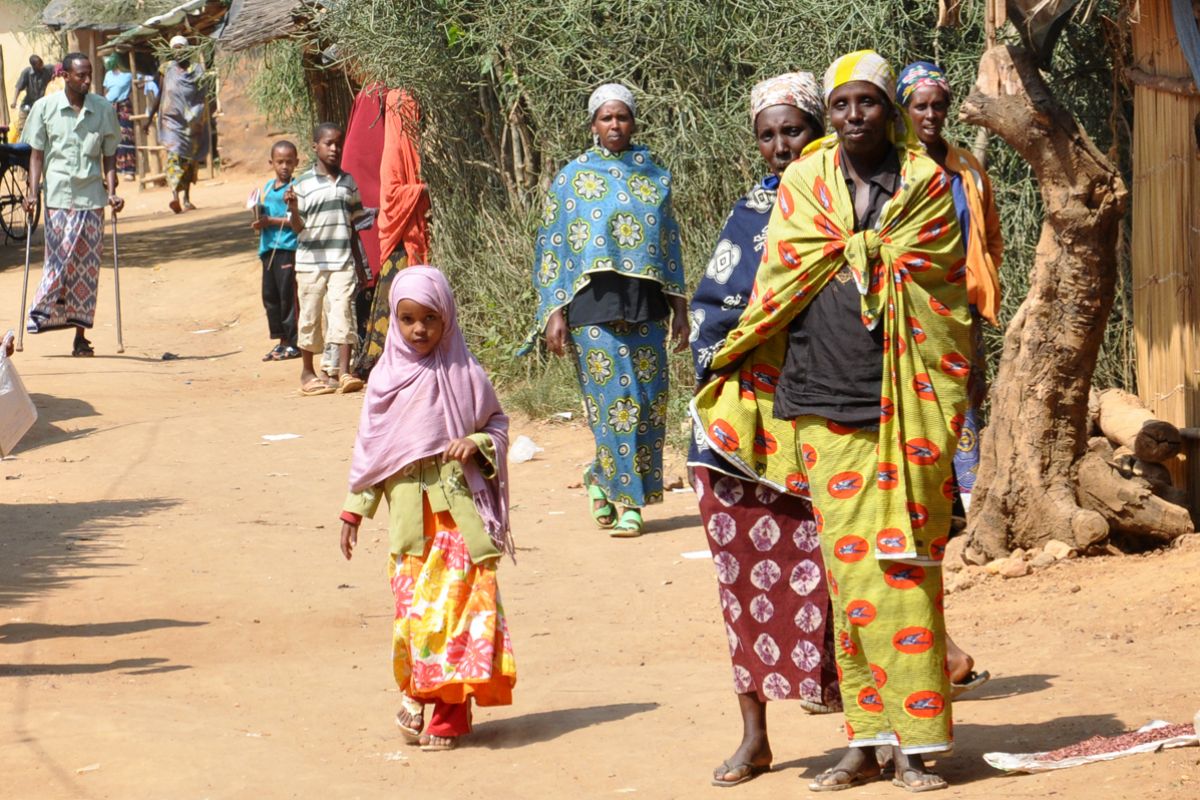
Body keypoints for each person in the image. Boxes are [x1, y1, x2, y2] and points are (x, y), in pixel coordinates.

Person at [694, 50, 972, 793]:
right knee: (846, 584)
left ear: (889, 109)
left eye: (868, 103)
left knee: (905, 573)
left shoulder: (926, 187)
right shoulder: (804, 186)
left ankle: (914, 745)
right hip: (818, 401)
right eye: (843, 103)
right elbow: (774, 290)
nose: (854, 116)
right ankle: (864, 740)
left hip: (900, 407)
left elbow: (949, 299)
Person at [688, 72, 840, 788]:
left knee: (841, 578)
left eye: (794, 131)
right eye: (768, 135)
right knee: (739, 584)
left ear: (821, 130)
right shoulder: (748, 214)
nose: (781, 147)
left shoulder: (848, 207)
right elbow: (712, 313)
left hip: (829, 420)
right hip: (740, 433)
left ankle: (859, 729)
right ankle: (755, 736)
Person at [339, 266, 516, 752]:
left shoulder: (465, 373)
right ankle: (417, 692)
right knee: (415, 617)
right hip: (408, 528)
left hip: (458, 523)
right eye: (408, 319)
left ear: (448, 320)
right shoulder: (383, 382)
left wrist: (476, 443)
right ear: (394, 321)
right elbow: (372, 452)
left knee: (457, 615)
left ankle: (452, 713)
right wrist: (354, 511)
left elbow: (497, 425)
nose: (420, 330)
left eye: (430, 319)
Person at [522, 82, 689, 537]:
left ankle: (600, 478)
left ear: (633, 122)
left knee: (649, 403)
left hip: (647, 304)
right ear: (593, 124)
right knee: (616, 404)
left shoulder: (655, 176)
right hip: (592, 308)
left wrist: (681, 308)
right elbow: (553, 247)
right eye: (606, 118)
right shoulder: (573, 178)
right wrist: (554, 311)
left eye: (622, 117)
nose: (615, 125)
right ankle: (628, 503)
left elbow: (669, 244)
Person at [898, 61, 1001, 700]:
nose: (932, 115)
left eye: (939, 105)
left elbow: (986, 237)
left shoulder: (964, 166)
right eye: (921, 105)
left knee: (964, 412)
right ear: (904, 110)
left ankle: (966, 514)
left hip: (960, 309)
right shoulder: (897, 168)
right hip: (908, 316)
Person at [21, 52, 123, 356]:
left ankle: (80, 336)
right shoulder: (45, 108)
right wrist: (32, 191)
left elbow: (109, 156)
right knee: (59, 262)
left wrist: (113, 191)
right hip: (58, 199)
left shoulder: (103, 109)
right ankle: (40, 310)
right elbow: (36, 155)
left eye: (89, 74)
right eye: (81, 75)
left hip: (91, 199)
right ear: (65, 76)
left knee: (86, 270)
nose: (87, 80)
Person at [284, 122, 367, 395]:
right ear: (315, 147)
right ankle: (308, 372)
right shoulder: (303, 184)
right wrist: (294, 209)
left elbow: (355, 223)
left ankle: (343, 373)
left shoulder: (348, 182)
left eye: (338, 144)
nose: (334, 149)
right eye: (328, 144)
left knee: (343, 311)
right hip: (310, 264)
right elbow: (297, 228)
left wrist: (360, 263)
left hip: (341, 261)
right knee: (309, 315)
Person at [146, 35, 210, 214]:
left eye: (181, 47)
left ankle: (187, 199)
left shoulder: (197, 70)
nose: (178, 51)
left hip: (191, 123)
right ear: (171, 51)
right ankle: (174, 197)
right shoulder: (166, 69)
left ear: (188, 49)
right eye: (175, 48)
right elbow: (160, 94)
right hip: (171, 122)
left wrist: (198, 116)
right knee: (174, 157)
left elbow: (202, 95)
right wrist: (150, 118)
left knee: (189, 160)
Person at [251, 140, 301, 362]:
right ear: (271, 163)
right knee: (270, 297)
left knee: (287, 297)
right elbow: (265, 215)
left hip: (286, 249)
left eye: (289, 162)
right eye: (280, 162)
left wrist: (270, 220)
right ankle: (281, 341)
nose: (284, 167)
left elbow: (296, 221)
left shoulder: (295, 188)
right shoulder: (269, 187)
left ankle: (294, 342)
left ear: (296, 163)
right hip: (268, 250)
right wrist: (258, 220)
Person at [101, 53, 144, 178]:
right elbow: (106, 92)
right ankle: (117, 168)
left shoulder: (128, 74)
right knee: (113, 136)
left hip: (123, 106)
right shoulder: (108, 75)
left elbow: (141, 80)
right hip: (110, 106)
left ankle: (129, 169)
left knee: (126, 136)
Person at [9, 55, 54, 140]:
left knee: (41, 129)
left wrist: (56, 74)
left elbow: (59, 68)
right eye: (39, 64)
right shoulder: (27, 72)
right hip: (28, 104)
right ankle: (23, 147)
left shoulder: (48, 69)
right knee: (22, 128)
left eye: (42, 62)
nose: (42, 65)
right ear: (33, 66)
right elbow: (18, 87)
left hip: (42, 105)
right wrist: (14, 100)